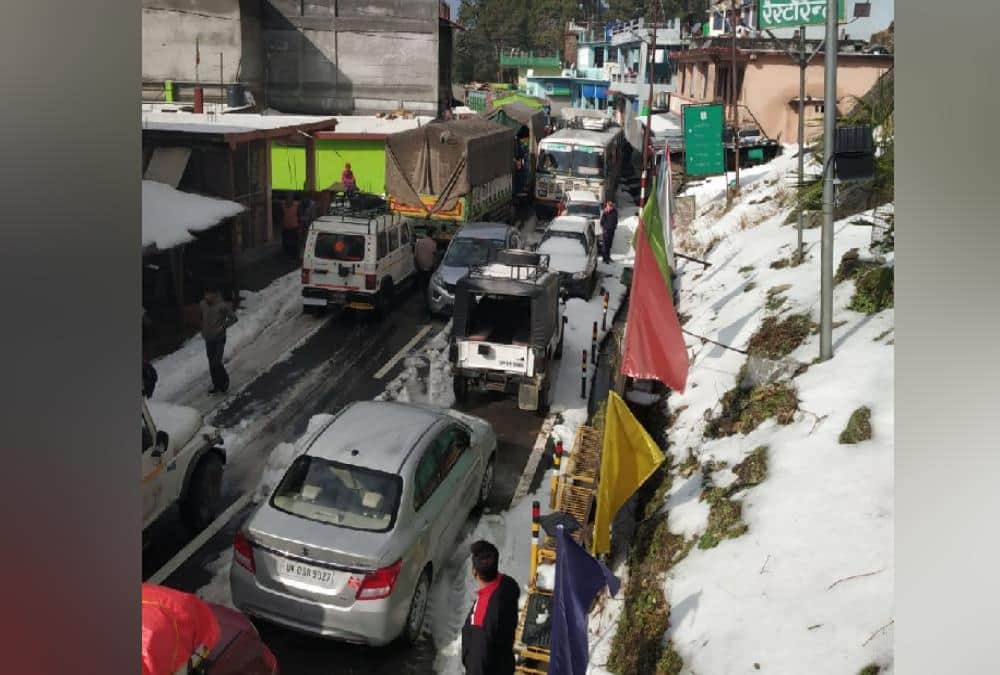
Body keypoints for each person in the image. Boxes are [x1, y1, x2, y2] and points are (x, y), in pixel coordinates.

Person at [461, 540, 520, 675]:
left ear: (474, 572)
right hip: (505, 662)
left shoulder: (481, 619)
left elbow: (477, 665)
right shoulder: (509, 585)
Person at [200, 288, 237, 395]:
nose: (207, 296)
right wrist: (202, 329)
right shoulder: (203, 304)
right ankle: (216, 385)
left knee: (216, 361)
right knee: (211, 363)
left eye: (209, 294)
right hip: (208, 338)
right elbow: (202, 317)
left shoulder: (222, 305)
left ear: (214, 294)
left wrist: (223, 327)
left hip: (219, 338)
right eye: (205, 294)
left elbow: (234, 318)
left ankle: (224, 381)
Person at [414, 232, 438, 297]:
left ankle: (424, 295)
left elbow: (415, 256)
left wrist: (417, 267)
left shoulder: (418, 242)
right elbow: (435, 256)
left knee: (423, 283)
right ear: (432, 235)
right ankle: (429, 296)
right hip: (430, 267)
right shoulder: (433, 243)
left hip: (420, 267)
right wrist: (435, 267)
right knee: (429, 283)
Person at [600, 199, 618, 264]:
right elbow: (602, 222)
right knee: (605, 245)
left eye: (611, 205)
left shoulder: (614, 211)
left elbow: (616, 220)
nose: (610, 206)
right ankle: (605, 259)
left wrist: (614, 226)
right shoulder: (605, 212)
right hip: (606, 230)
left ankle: (608, 257)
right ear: (607, 205)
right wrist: (605, 228)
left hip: (612, 230)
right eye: (609, 205)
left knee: (609, 245)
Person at [281, 193, 300, 258]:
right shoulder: (283, 204)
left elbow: (299, 214)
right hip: (286, 227)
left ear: (292, 199)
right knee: (285, 242)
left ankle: (294, 255)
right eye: (287, 198)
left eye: (290, 198)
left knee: (294, 243)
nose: (288, 199)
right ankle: (286, 255)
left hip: (294, 227)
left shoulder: (296, 204)